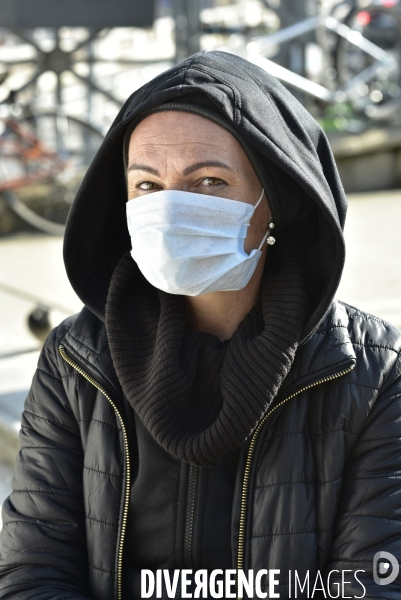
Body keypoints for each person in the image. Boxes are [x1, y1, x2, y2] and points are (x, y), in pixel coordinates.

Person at [0, 50, 400, 600]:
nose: (170, 209)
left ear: (276, 199)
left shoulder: (373, 372)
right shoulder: (76, 360)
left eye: (209, 181)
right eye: (145, 185)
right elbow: (32, 567)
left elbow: (373, 582)